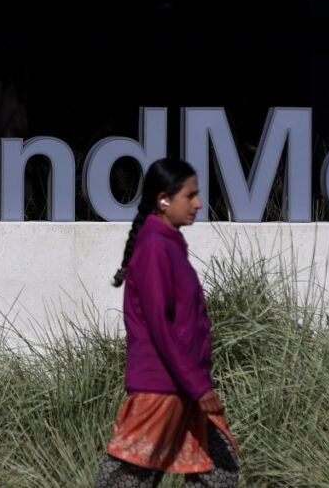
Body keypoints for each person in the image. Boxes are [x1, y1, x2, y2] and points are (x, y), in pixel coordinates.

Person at [94, 157, 240, 487]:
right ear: (163, 200)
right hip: (160, 389)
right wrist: (199, 385)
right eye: (190, 195)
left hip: (182, 388)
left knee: (219, 472)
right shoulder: (154, 249)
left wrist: (196, 384)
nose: (198, 203)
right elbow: (161, 326)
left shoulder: (169, 246)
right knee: (127, 479)